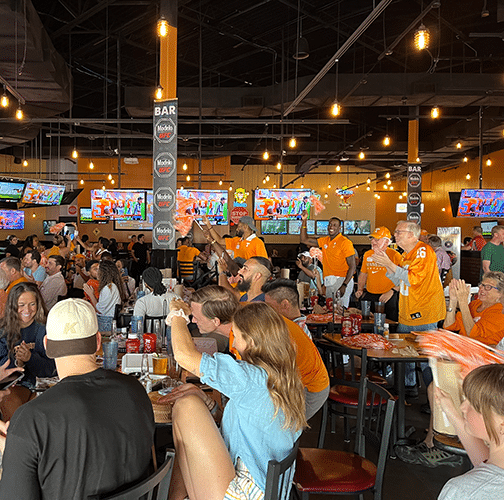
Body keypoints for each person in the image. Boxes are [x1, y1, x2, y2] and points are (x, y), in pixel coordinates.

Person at [0, 298, 155, 499]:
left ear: (47, 345)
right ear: (98, 341)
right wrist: (19, 444)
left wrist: (14, 448)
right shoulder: (135, 390)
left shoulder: (31, 419)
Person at [164, 300, 306, 500]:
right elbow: (242, 428)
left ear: (251, 342)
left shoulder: (251, 378)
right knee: (189, 407)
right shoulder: (282, 377)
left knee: (186, 406)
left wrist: (178, 314)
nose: (234, 343)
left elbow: (184, 355)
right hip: (267, 489)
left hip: (248, 492)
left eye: (236, 336)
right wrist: (207, 401)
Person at [435, 364, 504, 499]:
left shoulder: (462, 492)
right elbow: (486, 467)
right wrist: (450, 410)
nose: (462, 407)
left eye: (472, 404)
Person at [0, 283, 55, 421]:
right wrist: (18, 362)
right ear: (13, 306)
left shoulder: (46, 328)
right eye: (21, 304)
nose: (27, 310)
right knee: (8, 400)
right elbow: (3, 370)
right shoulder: (3, 330)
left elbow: (52, 368)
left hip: (44, 385)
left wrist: (30, 358)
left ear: (38, 304)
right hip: (13, 386)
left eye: (32, 304)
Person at [300, 212, 356, 308]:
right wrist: (304, 221)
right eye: (330, 224)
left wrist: (344, 285)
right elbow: (304, 240)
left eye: (335, 225)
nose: (331, 227)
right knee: (331, 310)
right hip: (329, 280)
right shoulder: (325, 240)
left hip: (342, 280)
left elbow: (352, 266)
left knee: (340, 311)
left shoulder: (345, 242)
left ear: (339, 228)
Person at [443, 273, 504, 345]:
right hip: (461, 347)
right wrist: (453, 300)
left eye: (488, 287)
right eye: (481, 285)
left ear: (500, 293)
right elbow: (448, 326)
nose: (481, 289)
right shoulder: (474, 304)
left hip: (480, 353)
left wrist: (463, 302)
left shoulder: (500, 311)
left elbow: (472, 333)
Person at [355, 226, 401, 321]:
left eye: (377, 239)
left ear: (386, 241)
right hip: (370, 294)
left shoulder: (395, 255)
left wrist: (393, 291)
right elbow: (363, 274)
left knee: (389, 324)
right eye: (372, 238)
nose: (373, 241)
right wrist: (360, 289)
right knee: (367, 323)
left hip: (388, 295)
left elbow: (404, 277)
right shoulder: (368, 254)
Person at [203, 214, 268, 262]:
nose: (237, 229)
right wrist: (208, 225)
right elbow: (219, 240)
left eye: (239, 226)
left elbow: (264, 262)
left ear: (245, 227)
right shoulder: (237, 240)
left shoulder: (258, 242)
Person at [84, 260, 125, 332]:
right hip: (107, 321)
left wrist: (91, 294)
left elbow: (100, 309)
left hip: (105, 323)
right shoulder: (110, 286)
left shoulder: (108, 288)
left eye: (98, 270)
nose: (97, 272)